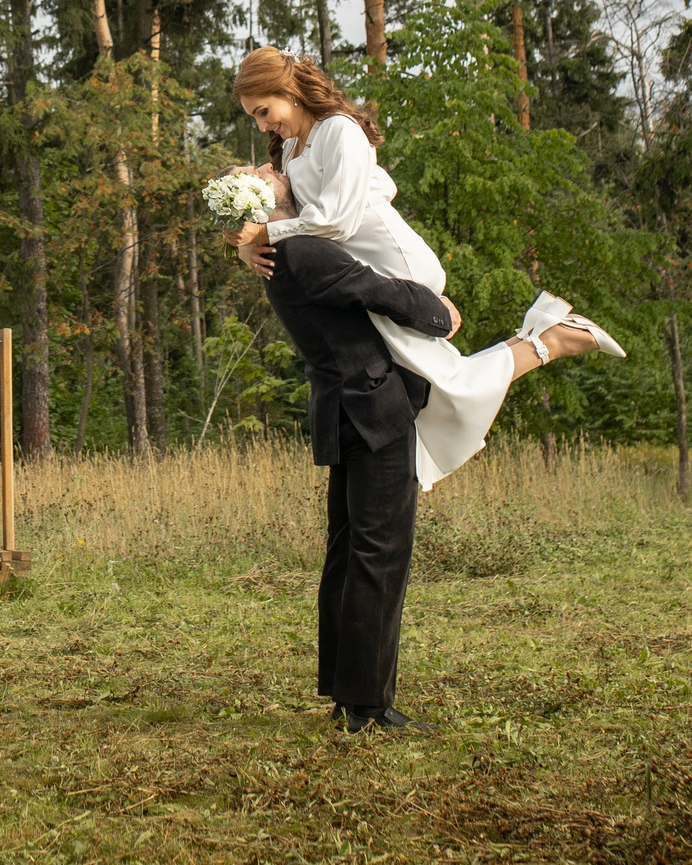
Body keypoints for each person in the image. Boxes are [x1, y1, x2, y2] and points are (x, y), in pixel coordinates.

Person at [226, 45, 623, 733]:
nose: (270, 146)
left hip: (387, 301)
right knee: (371, 548)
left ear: (289, 90)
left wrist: (431, 307)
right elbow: (332, 249)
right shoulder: (294, 245)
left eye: (267, 117)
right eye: (264, 167)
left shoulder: (316, 191)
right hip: (370, 400)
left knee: (360, 541)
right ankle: (366, 705)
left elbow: (347, 229)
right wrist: (436, 316)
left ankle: (353, 698)